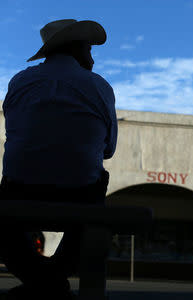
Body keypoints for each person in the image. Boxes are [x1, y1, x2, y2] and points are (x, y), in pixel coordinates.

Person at [0, 19, 117, 300]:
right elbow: (108, 150)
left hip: (19, 193)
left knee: (5, 218)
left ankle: (42, 285)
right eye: (88, 49)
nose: (91, 57)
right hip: (78, 196)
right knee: (99, 182)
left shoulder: (20, 81)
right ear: (76, 48)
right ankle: (53, 285)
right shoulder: (99, 86)